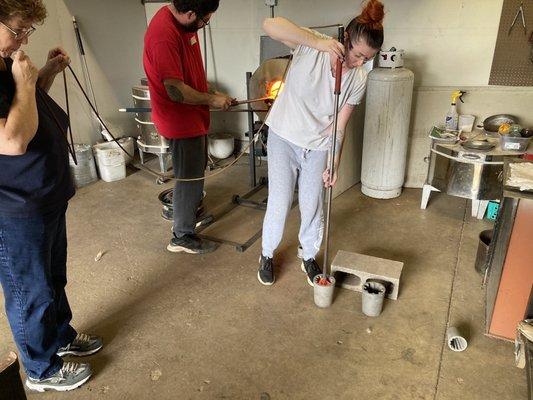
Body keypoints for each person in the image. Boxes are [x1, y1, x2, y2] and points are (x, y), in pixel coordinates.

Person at [0, 0, 102, 392]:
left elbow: (23, 107)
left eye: (29, 30)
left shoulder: (5, 57)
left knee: (53, 277)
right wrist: (26, 81)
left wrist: (44, 75)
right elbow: (12, 138)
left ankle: (59, 338)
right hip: (15, 205)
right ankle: (40, 369)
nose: (23, 38)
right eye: (18, 29)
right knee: (30, 290)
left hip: (44, 193)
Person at [257, 0, 385, 285]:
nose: (359, 62)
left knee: (312, 203)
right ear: (346, 40)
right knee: (279, 201)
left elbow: (340, 124)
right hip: (284, 136)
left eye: (367, 58)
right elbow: (269, 25)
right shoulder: (313, 47)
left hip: (317, 145)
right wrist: (316, 41)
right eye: (358, 54)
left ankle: (308, 255)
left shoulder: (359, 78)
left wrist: (334, 161)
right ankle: (266, 254)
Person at [143, 0, 233, 254]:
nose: (204, 26)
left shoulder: (184, 24)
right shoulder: (164, 35)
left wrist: (212, 91)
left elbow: (189, 73)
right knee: (189, 177)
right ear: (191, 13)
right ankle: (181, 235)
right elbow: (175, 90)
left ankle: (187, 218)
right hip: (179, 120)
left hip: (192, 115)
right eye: (205, 20)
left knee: (195, 170)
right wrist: (212, 100)